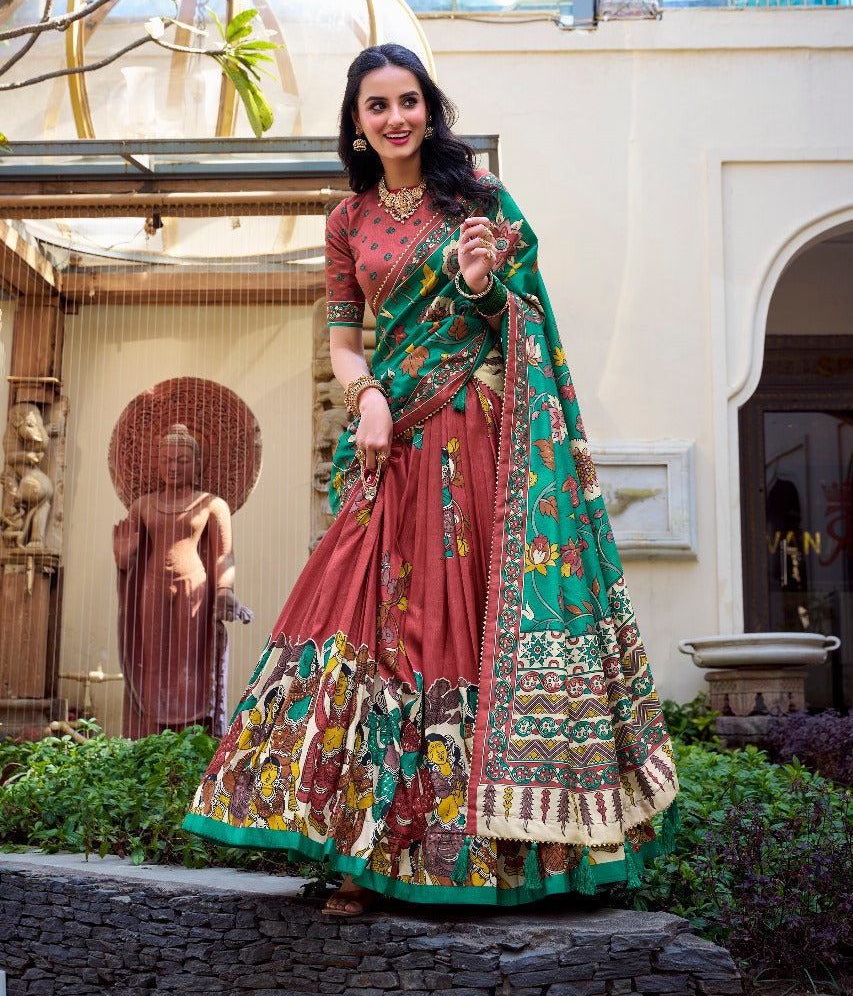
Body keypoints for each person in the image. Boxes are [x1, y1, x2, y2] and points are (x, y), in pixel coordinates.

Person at [183, 44, 679, 912]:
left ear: (428, 108)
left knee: (464, 629)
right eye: (376, 106)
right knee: (363, 624)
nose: (395, 118)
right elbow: (343, 341)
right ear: (357, 123)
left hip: (474, 441)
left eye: (408, 101)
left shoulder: (478, 198)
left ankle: (505, 858)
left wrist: (484, 288)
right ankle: (363, 853)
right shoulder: (346, 221)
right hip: (391, 443)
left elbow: (522, 316)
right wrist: (368, 394)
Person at [113, 423, 253, 738]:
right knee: (153, 660)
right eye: (167, 460)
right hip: (152, 586)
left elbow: (224, 555)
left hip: (195, 588)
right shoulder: (143, 506)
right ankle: (149, 734)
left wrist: (225, 590)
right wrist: (124, 559)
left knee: (191, 662)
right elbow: (130, 556)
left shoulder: (212, 505)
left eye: (182, 460)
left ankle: (192, 735)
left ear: (198, 464)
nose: (173, 467)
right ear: (157, 463)